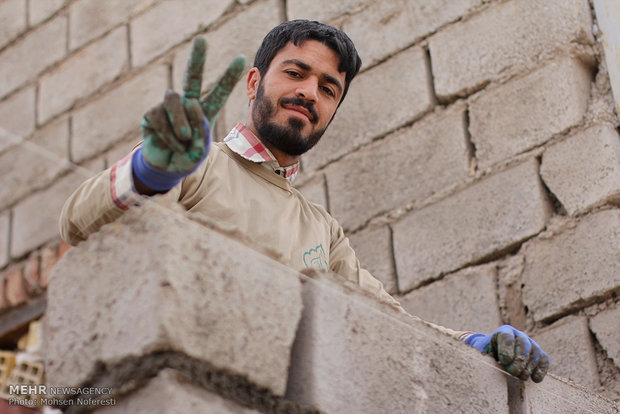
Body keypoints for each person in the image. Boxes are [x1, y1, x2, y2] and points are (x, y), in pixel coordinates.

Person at [59, 20, 549, 383]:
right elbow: (77, 224)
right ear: (254, 83)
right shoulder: (195, 162)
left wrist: (476, 347)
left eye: (328, 88)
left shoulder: (322, 231)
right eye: (296, 72)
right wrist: (151, 170)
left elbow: (389, 325)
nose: (308, 92)